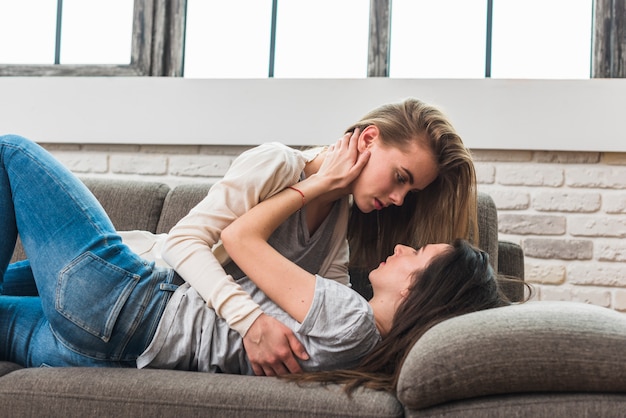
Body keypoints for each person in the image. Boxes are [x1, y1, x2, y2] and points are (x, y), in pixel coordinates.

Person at [2, 97, 478, 375]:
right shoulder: (278, 163)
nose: (399, 199)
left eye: (409, 191)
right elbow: (185, 243)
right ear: (368, 140)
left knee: (10, 150)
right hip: (138, 278)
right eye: (399, 177)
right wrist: (250, 322)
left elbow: (335, 310)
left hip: (124, 312)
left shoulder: (340, 232)